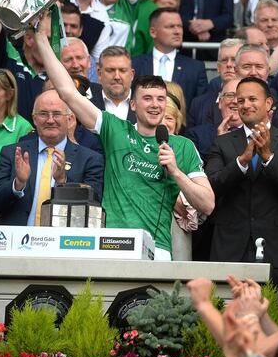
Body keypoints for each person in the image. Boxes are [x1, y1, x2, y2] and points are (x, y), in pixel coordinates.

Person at [37, 16, 215, 260]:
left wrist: (175, 171)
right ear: (133, 104)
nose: (155, 105)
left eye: (160, 99)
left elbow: (207, 204)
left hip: (158, 249)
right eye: (147, 99)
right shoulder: (115, 129)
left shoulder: (182, 146)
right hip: (112, 243)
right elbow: (67, 93)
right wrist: (41, 41)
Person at [204, 76, 278, 283]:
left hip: (276, 250)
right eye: (240, 101)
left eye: (252, 99)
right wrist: (241, 162)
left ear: (268, 103)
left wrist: (268, 157)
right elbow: (210, 187)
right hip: (229, 249)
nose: (245, 105)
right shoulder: (222, 143)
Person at [0, 90, 105, 226]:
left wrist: (63, 182)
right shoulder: (13, 153)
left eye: (57, 114)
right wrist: (18, 184)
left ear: (70, 119)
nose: (50, 120)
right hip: (17, 242)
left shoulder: (90, 159)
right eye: (43, 114)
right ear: (34, 119)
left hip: (64, 243)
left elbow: (94, 211)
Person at [131, 7, 209, 108]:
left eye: (179, 26)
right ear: (153, 32)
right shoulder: (134, 65)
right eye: (170, 26)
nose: (177, 31)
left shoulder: (196, 68)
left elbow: (200, 109)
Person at [98, 46, 137, 123]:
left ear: (132, 75)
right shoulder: (86, 104)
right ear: (99, 74)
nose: (117, 77)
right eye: (110, 70)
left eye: (123, 70)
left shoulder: (144, 105)